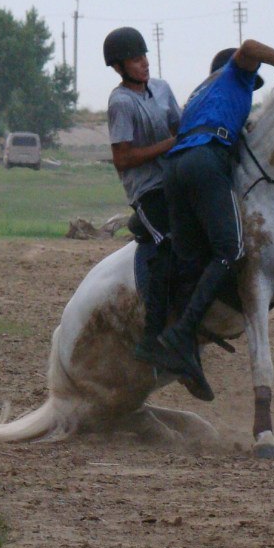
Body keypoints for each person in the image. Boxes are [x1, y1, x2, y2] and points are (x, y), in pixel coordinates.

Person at [140, 40, 274, 397]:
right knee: (230, 251)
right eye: (251, 76)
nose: (252, 82)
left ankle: (163, 338)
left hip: (176, 169)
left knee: (190, 259)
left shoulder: (199, 95)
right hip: (204, 160)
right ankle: (183, 335)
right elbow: (250, 46)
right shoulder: (233, 74)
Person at [102, 26, 193, 389]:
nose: (144, 64)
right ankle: (152, 338)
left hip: (175, 179)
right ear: (120, 66)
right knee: (168, 245)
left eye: (144, 57)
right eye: (136, 59)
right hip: (148, 191)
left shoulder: (163, 90)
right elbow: (122, 159)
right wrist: (171, 145)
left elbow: (181, 125)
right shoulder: (120, 103)